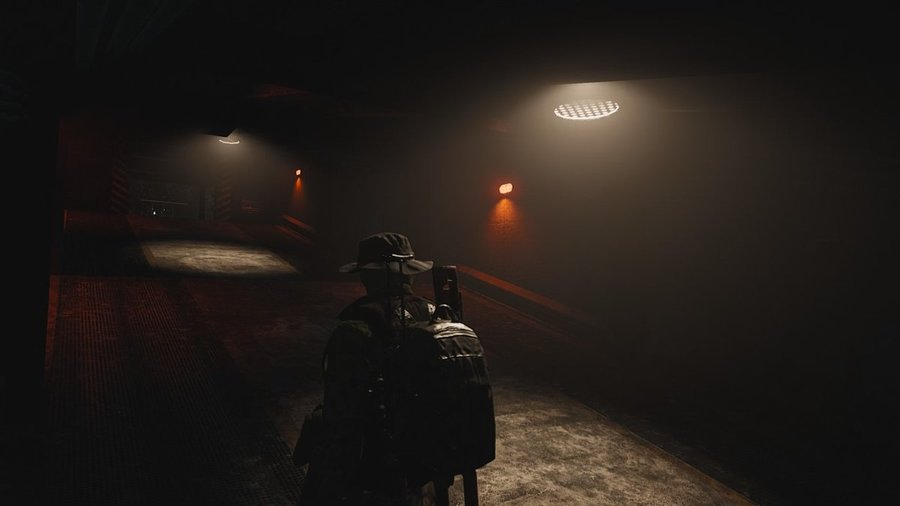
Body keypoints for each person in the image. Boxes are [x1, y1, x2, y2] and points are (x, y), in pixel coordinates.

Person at [297, 232, 436, 506]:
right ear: (409, 274)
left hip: (374, 476)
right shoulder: (437, 315)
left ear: (369, 277)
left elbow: (341, 416)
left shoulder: (356, 330)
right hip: (425, 471)